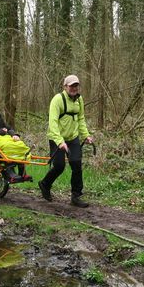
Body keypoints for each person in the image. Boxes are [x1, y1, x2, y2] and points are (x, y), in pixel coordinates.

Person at [39, 74, 94, 207]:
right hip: (56, 138)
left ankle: (76, 196)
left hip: (73, 138)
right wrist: (59, 141)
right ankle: (45, 184)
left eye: (76, 85)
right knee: (59, 166)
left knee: (76, 165)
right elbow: (52, 123)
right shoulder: (57, 100)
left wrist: (86, 135)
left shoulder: (79, 100)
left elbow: (81, 119)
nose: (74, 88)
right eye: (71, 86)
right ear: (65, 86)